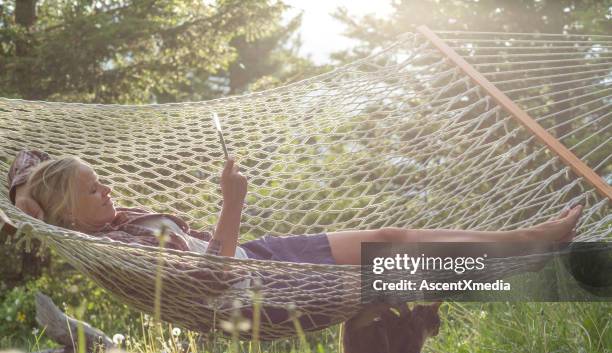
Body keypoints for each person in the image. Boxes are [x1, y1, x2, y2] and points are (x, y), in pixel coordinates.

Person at [9, 150, 583, 267]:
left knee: (394, 235)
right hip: (262, 285)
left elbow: (25, 160)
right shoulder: (116, 245)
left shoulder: (105, 222)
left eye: (103, 182)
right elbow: (212, 280)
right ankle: (529, 248)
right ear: (64, 213)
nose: (109, 192)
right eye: (94, 190)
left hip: (263, 256)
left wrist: (21, 197)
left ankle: (524, 243)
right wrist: (231, 205)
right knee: (399, 258)